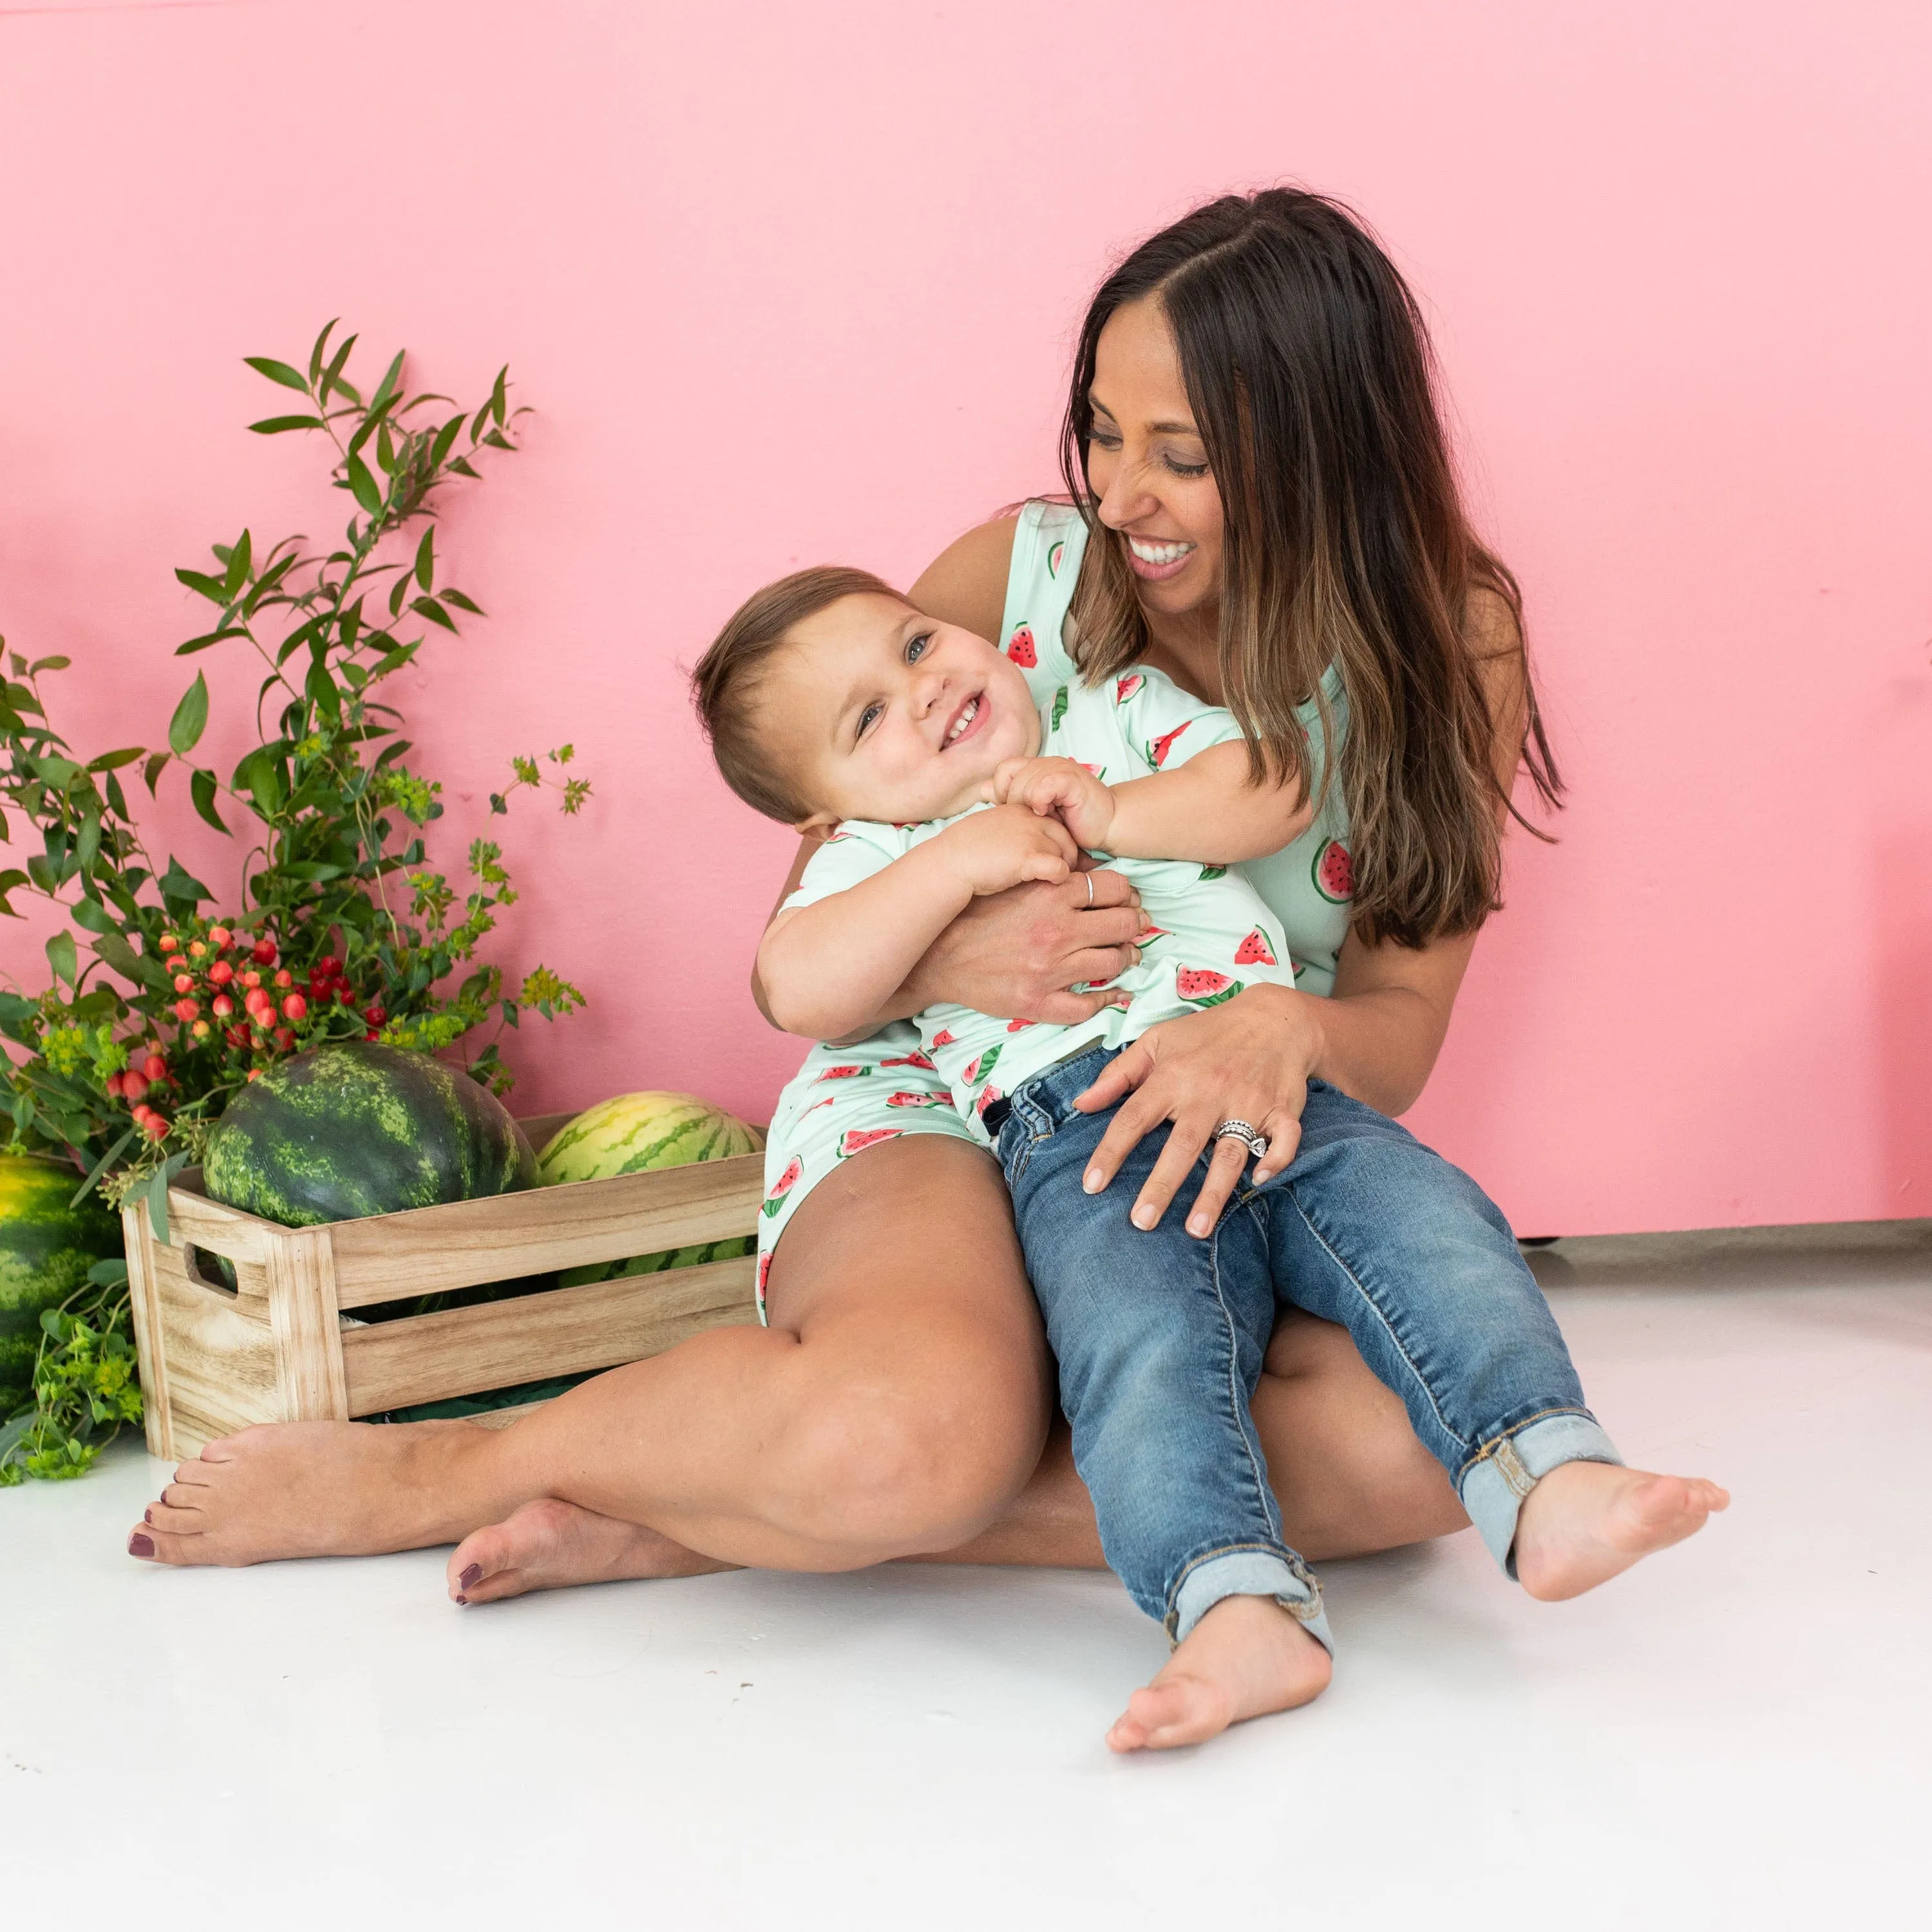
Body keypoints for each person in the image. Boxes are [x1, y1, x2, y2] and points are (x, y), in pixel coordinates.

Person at [129, 193, 1718, 1732]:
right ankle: (453, 1469)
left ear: (1324, 454)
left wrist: (1280, 1030)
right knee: (919, 1435)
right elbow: (814, 944)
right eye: (1102, 431)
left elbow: (1397, 1015)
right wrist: (968, 940)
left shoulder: (1448, 637)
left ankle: (720, 1514)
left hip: (1192, 1096)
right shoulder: (1007, 590)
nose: (1121, 495)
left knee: (1415, 1453)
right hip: (941, 1074)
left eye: (1186, 455)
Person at [687, 568, 1723, 1750]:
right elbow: (799, 982)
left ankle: (1547, 1471)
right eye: (866, 719)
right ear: (823, 813)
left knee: (1434, 1224)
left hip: (1272, 1083)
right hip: (1088, 1137)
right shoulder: (872, 852)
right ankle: (1231, 1602)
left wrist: (1111, 809)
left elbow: (1269, 787)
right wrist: (953, 863)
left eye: (919, 646)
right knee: (1146, 1348)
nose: (922, 694)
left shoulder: (1107, 716)